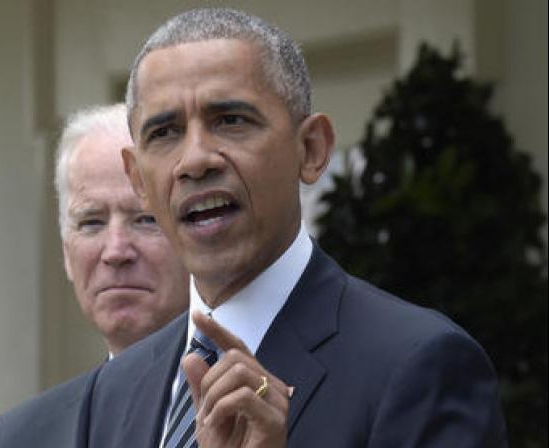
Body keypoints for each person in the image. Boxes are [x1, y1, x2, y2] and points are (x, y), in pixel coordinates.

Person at [80, 8, 508, 448]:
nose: (195, 160)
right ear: (138, 181)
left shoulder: (422, 366)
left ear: (311, 149)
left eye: (230, 120)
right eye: (165, 132)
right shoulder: (112, 393)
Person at [0, 103, 189, 447]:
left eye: (146, 219)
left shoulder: (261, 396)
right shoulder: (17, 438)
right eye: (91, 222)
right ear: (65, 251)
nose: (116, 251)